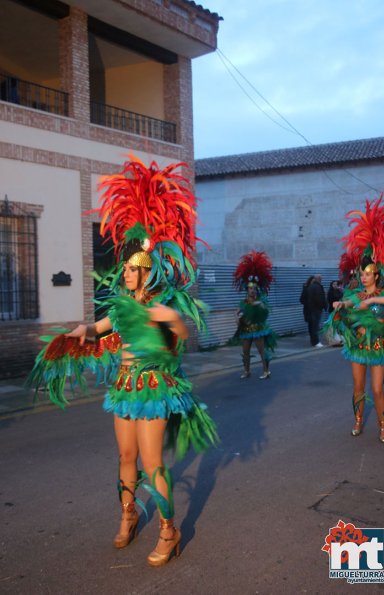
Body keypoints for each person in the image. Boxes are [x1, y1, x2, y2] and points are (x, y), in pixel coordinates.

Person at [28, 157, 218, 566]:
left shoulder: (161, 305)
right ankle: (129, 515)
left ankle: (170, 530)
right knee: (127, 458)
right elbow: (98, 328)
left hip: (153, 388)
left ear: (146, 272)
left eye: (134, 270)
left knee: (152, 463)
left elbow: (183, 334)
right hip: (125, 388)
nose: (127, 274)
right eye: (125, 269)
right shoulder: (121, 306)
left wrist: (167, 318)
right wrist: (79, 333)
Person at [327, 196, 384, 443]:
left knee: (377, 389)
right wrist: (340, 304)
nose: (364, 277)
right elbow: (350, 303)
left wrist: (373, 301)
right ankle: (357, 420)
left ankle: (382, 424)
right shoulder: (355, 294)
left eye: (368, 274)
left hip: (379, 349)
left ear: (377, 275)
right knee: (358, 388)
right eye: (361, 273)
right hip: (358, 347)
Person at [233, 250, 277, 379]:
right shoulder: (244, 302)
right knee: (245, 351)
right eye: (249, 288)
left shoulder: (261, 301)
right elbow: (237, 313)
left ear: (257, 289)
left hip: (258, 330)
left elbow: (265, 313)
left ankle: (266, 371)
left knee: (261, 351)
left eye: (253, 288)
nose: (251, 290)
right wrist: (237, 318)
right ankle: (247, 371)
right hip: (246, 330)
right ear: (247, 289)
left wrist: (258, 305)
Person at [306, 274, 327, 347]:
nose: (321, 280)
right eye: (321, 278)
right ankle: (316, 342)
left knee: (312, 326)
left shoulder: (310, 286)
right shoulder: (317, 287)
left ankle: (313, 341)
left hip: (312, 309)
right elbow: (319, 298)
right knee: (315, 326)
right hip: (316, 309)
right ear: (318, 279)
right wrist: (323, 306)